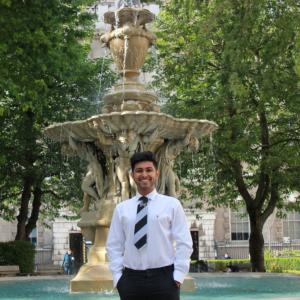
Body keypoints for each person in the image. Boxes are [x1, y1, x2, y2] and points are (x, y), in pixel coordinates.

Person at [106, 151, 193, 300]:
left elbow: (184, 242)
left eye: (148, 170)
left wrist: (178, 275)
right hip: (130, 280)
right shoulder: (122, 209)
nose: (144, 174)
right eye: (139, 171)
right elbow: (114, 245)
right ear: (132, 175)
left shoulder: (172, 205)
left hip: (165, 279)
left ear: (157, 173)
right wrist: (118, 277)